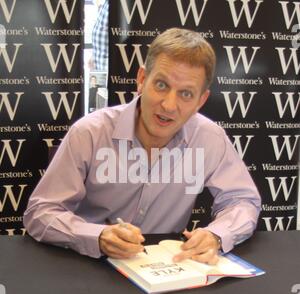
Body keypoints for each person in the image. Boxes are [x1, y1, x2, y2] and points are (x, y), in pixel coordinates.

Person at [24, 28, 261, 265]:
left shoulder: (209, 137)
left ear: (201, 100)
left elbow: (243, 201)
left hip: (167, 269)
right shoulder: (90, 133)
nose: (169, 105)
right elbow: (41, 212)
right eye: (161, 85)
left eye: (186, 94)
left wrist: (216, 235)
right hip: (90, 266)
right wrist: (97, 236)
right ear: (141, 79)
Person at [89, 0, 109, 72]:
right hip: (99, 67)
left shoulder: (117, 6)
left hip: (110, 72)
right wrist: (93, 55)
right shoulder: (106, 4)